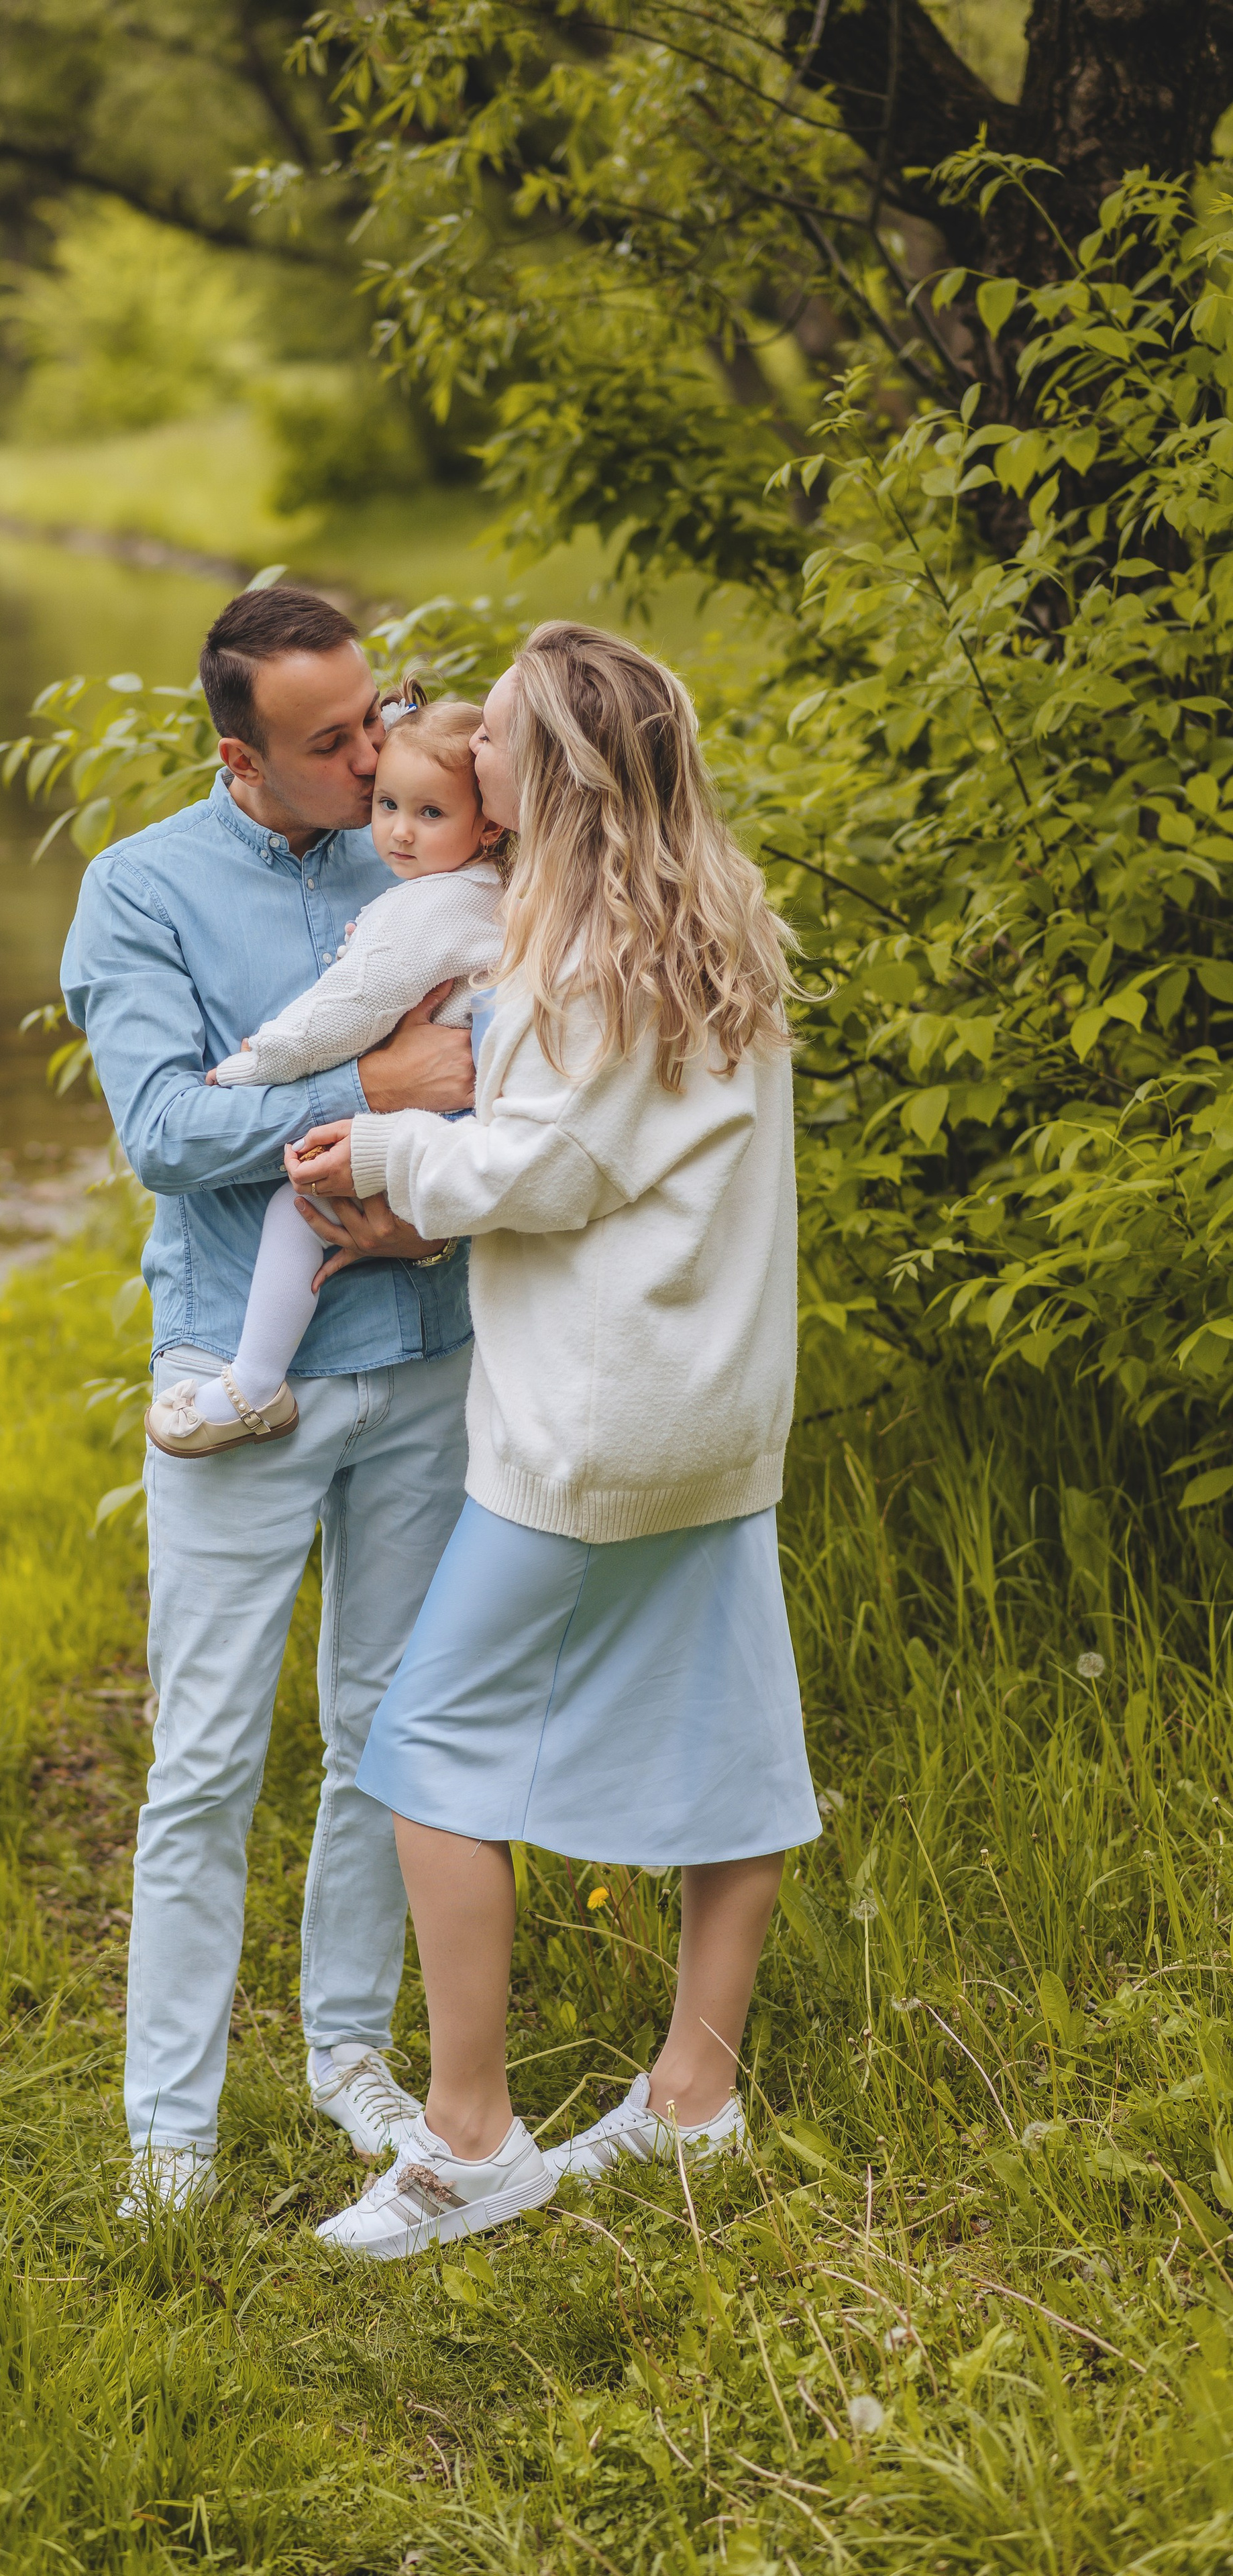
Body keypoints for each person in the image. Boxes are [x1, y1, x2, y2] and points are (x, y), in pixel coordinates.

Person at [284, 621, 821, 2260]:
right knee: (730, 1739)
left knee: (424, 1748)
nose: (464, 757)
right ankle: (692, 2096)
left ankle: (467, 2137)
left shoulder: (583, 959)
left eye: (500, 737)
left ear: (565, 774)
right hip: (715, 1416)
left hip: (592, 1428)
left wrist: (379, 1150)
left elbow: (537, 1169)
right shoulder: (719, 923)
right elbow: (624, 1171)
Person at [60, 584, 478, 2216]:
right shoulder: (138, 888)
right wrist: (370, 1084)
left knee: (384, 1729)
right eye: (331, 743)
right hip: (238, 1389)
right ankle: (169, 2127)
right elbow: (163, 1131)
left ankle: (346, 2052)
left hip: (427, 1360)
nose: (373, 754)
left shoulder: (428, 842)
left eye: (374, 717)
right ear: (242, 756)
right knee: (208, 1756)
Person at [147, 684, 505, 1457]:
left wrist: (252, 1065)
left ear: (489, 824)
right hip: (460, 1125)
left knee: (298, 1202)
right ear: (243, 759)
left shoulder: (425, 907)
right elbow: (161, 1140)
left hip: (428, 1128)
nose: (399, 833)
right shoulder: (492, 892)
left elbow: (345, 1010)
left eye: (429, 814)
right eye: (387, 806)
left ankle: (253, 1379)